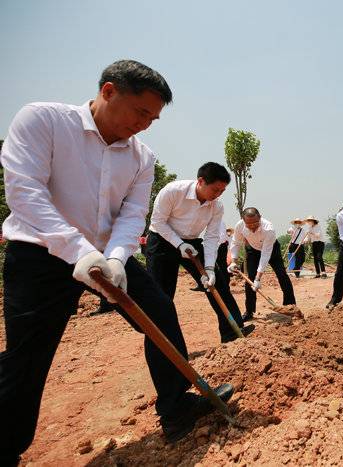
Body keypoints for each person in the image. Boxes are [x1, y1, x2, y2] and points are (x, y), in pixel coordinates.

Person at [0, 61, 233, 464]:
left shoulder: (142, 157)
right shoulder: (43, 120)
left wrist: (117, 257)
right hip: (40, 253)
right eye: (141, 112)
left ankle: (176, 410)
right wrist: (78, 249)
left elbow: (130, 215)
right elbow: (25, 193)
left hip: (107, 256)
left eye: (153, 118)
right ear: (108, 91)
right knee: (28, 355)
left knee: (160, 311)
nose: (145, 124)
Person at [146, 162, 251, 343]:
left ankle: (232, 333)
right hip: (162, 241)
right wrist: (179, 245)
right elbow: (158, 222)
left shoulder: (216, 206)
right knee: (162, 296)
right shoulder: (172, 191)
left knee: (217, 284)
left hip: (193, 242)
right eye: (215, 190)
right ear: (201, 181)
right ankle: (165, 344)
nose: (217, 195)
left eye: (222, 191)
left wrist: (209, 268)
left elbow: (211, 238)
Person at [228, 208, 297, 321]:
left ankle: (290, 306)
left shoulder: (268, 229)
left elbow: (265, 255)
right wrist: (234, 261)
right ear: (243, 220)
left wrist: (258, 278)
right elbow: (235, 242)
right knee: (249, 279)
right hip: (252, 250)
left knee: (281, 274)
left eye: (255, 223)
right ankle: (249, 311)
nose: (252, 227)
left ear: (260, 217)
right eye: (248, 224)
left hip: (271, 250)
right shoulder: (240, 225)